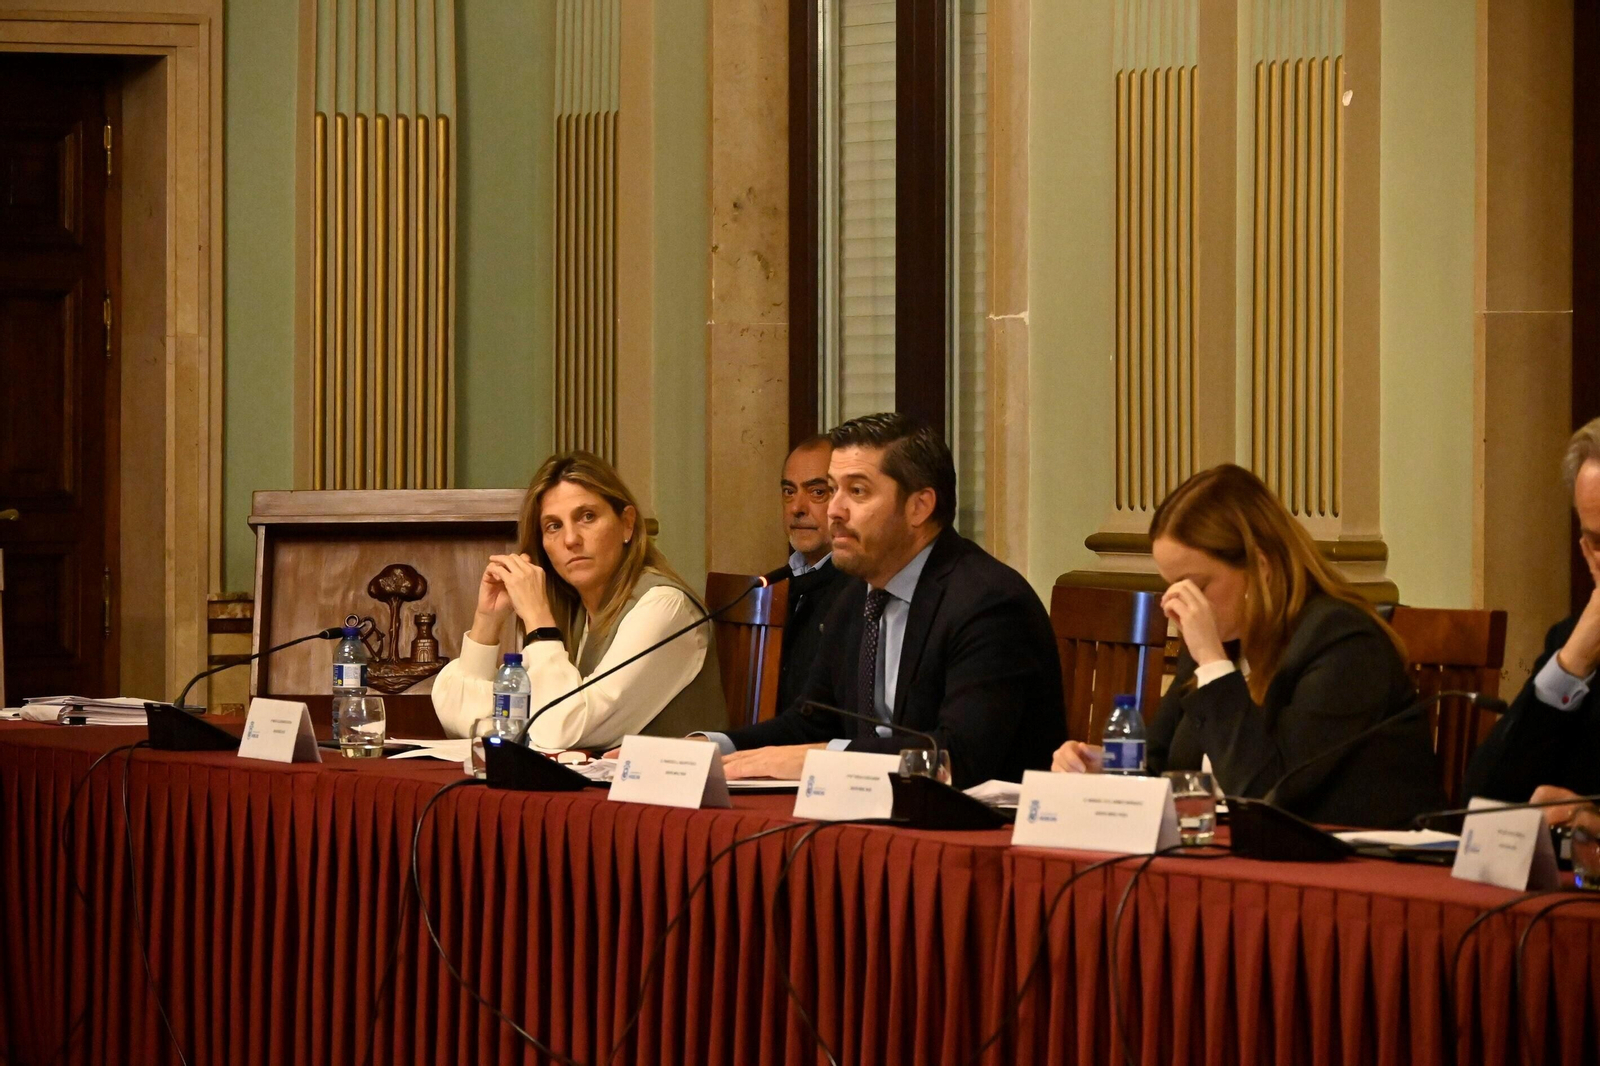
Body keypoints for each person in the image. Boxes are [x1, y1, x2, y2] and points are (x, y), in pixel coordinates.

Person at [1051, 463, 1443, 828]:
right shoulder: (1218, 642)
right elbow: (1160, 767)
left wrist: (1212, 662)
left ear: (1261, 567)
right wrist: (1103, 769)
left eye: (1197, 586)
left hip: (1361, 871)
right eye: (1172, 587)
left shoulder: (1342, 642)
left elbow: (1267, 795)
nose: (1180, 605)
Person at [700, 412, 1064, 789]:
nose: (835, 510)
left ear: (918, 507)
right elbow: (811, 722)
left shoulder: (989, 604)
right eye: (833, 488)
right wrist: (710, 749)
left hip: (978, 830)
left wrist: (825, 758)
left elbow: (959, 756)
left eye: (857, 491)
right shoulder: (858, 596)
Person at [431, 451, 724, 749]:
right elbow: (463, 722)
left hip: (667, 793)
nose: (571, 540)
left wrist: (539, 623)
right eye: (553, 526)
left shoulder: (665, 608)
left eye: (587, 517)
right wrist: (487, 620)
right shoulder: (572, 612)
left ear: (627, 524)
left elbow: (561, 731)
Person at [1465, 419, 1600, 817]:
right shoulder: (1576, 642)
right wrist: (1570, 663)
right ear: (1586, 551)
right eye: (1599, 541)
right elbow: (1480, 805)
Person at [776, 435, 852, 714]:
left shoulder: (861, 588)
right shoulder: (775, 584)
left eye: (817, 492)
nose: (797, 508)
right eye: (789, 491)